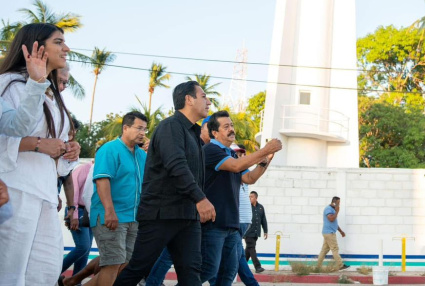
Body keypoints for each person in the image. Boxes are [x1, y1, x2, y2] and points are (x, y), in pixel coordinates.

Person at [0, 23, 81, 285]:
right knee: (10, 273)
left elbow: (56, 160)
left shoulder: (53, 94)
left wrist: (68, 153)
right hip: (15, 191)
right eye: (59, 42)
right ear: (36, 46)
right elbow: (14, 129)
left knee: (44, 273)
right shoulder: (9, 84)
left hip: (45, 195)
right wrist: (37, 144)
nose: (66, 48)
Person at [114, 81, 215, 286]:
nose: (209, 102)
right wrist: (200, 198)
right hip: (161, 213)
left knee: (191, 273)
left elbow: (194, 175)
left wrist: (197, 203)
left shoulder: (193, 134)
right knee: (139, 267)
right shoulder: (170, 127)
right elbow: (176, 166)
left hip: (187, 216)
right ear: (189, 99)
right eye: (204, 96)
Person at [200, 110, 282, 285]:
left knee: (228, 274)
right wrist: (265, 149)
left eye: (232, 125)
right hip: (214, 225)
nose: (231, 129)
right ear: (214, 132)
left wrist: (266, 158)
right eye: (226, 126)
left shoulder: (230, 153)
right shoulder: (211, 150)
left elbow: (249, 178)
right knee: (208, 270)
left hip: (232, 226)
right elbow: (237, 166)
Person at [84, 112, 148, 286]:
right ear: (125, 128)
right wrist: (109, 211)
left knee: (124, 266)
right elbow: (102, 180)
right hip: (111, 216)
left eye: (145, 129)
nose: (143, 132)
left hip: (134, 218)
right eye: (139, 128)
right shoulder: (109, 149)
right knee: (112, 264)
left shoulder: (141, 155)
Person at [61, 157, 94, 276]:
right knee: (83, 247)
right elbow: (73, 190)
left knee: (86, 250)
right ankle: (55, 273)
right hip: (77, 211)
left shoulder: (102, 170)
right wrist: (73, 215)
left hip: (90, 212)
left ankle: (76, 281)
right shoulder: (84, 168)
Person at [234, 145, 262, 285]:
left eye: (243, 154)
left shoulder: (243, 171)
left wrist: (263, 159)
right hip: (235, 221)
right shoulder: (233, 170)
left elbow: (254, 176)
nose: (242, 157)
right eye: (238, 154)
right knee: (236, 258)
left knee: (235, 258)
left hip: (244, 222)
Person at [316, 196, 349, 271]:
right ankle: (341, 265)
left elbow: (334, 223)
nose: (339, 205)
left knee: (324, 250)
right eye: (338, 203)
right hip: (329, 233)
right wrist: (337, 211)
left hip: (327, 232)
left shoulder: (332, 210)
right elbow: (331, 219)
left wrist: (341, 231)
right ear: (334, 203)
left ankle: (318, 267)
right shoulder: (328, 209)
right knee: (335, 248)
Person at [244, 190, 268, 274]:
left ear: (256, 198)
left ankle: (240, 266)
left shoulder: (260, 207)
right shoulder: (247, 207)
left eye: (251, 197)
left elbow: (263, 220)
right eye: (249, 196)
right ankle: (258, 267)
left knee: (248, 250)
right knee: (252, 248)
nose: (250, 198)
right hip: (248, 232)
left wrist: (265, 231)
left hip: (256, 233)